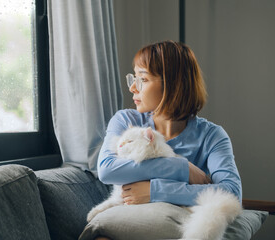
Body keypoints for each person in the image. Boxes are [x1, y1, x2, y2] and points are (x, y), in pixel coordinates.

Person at [94, 40, 242, 240]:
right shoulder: (126, 120)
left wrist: (155, 190)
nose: (133, 88)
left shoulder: (212, 135)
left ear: (173, 85)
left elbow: (231, 192)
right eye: (133, 78)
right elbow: (107, 169)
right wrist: (180, 168)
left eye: (143, 80)